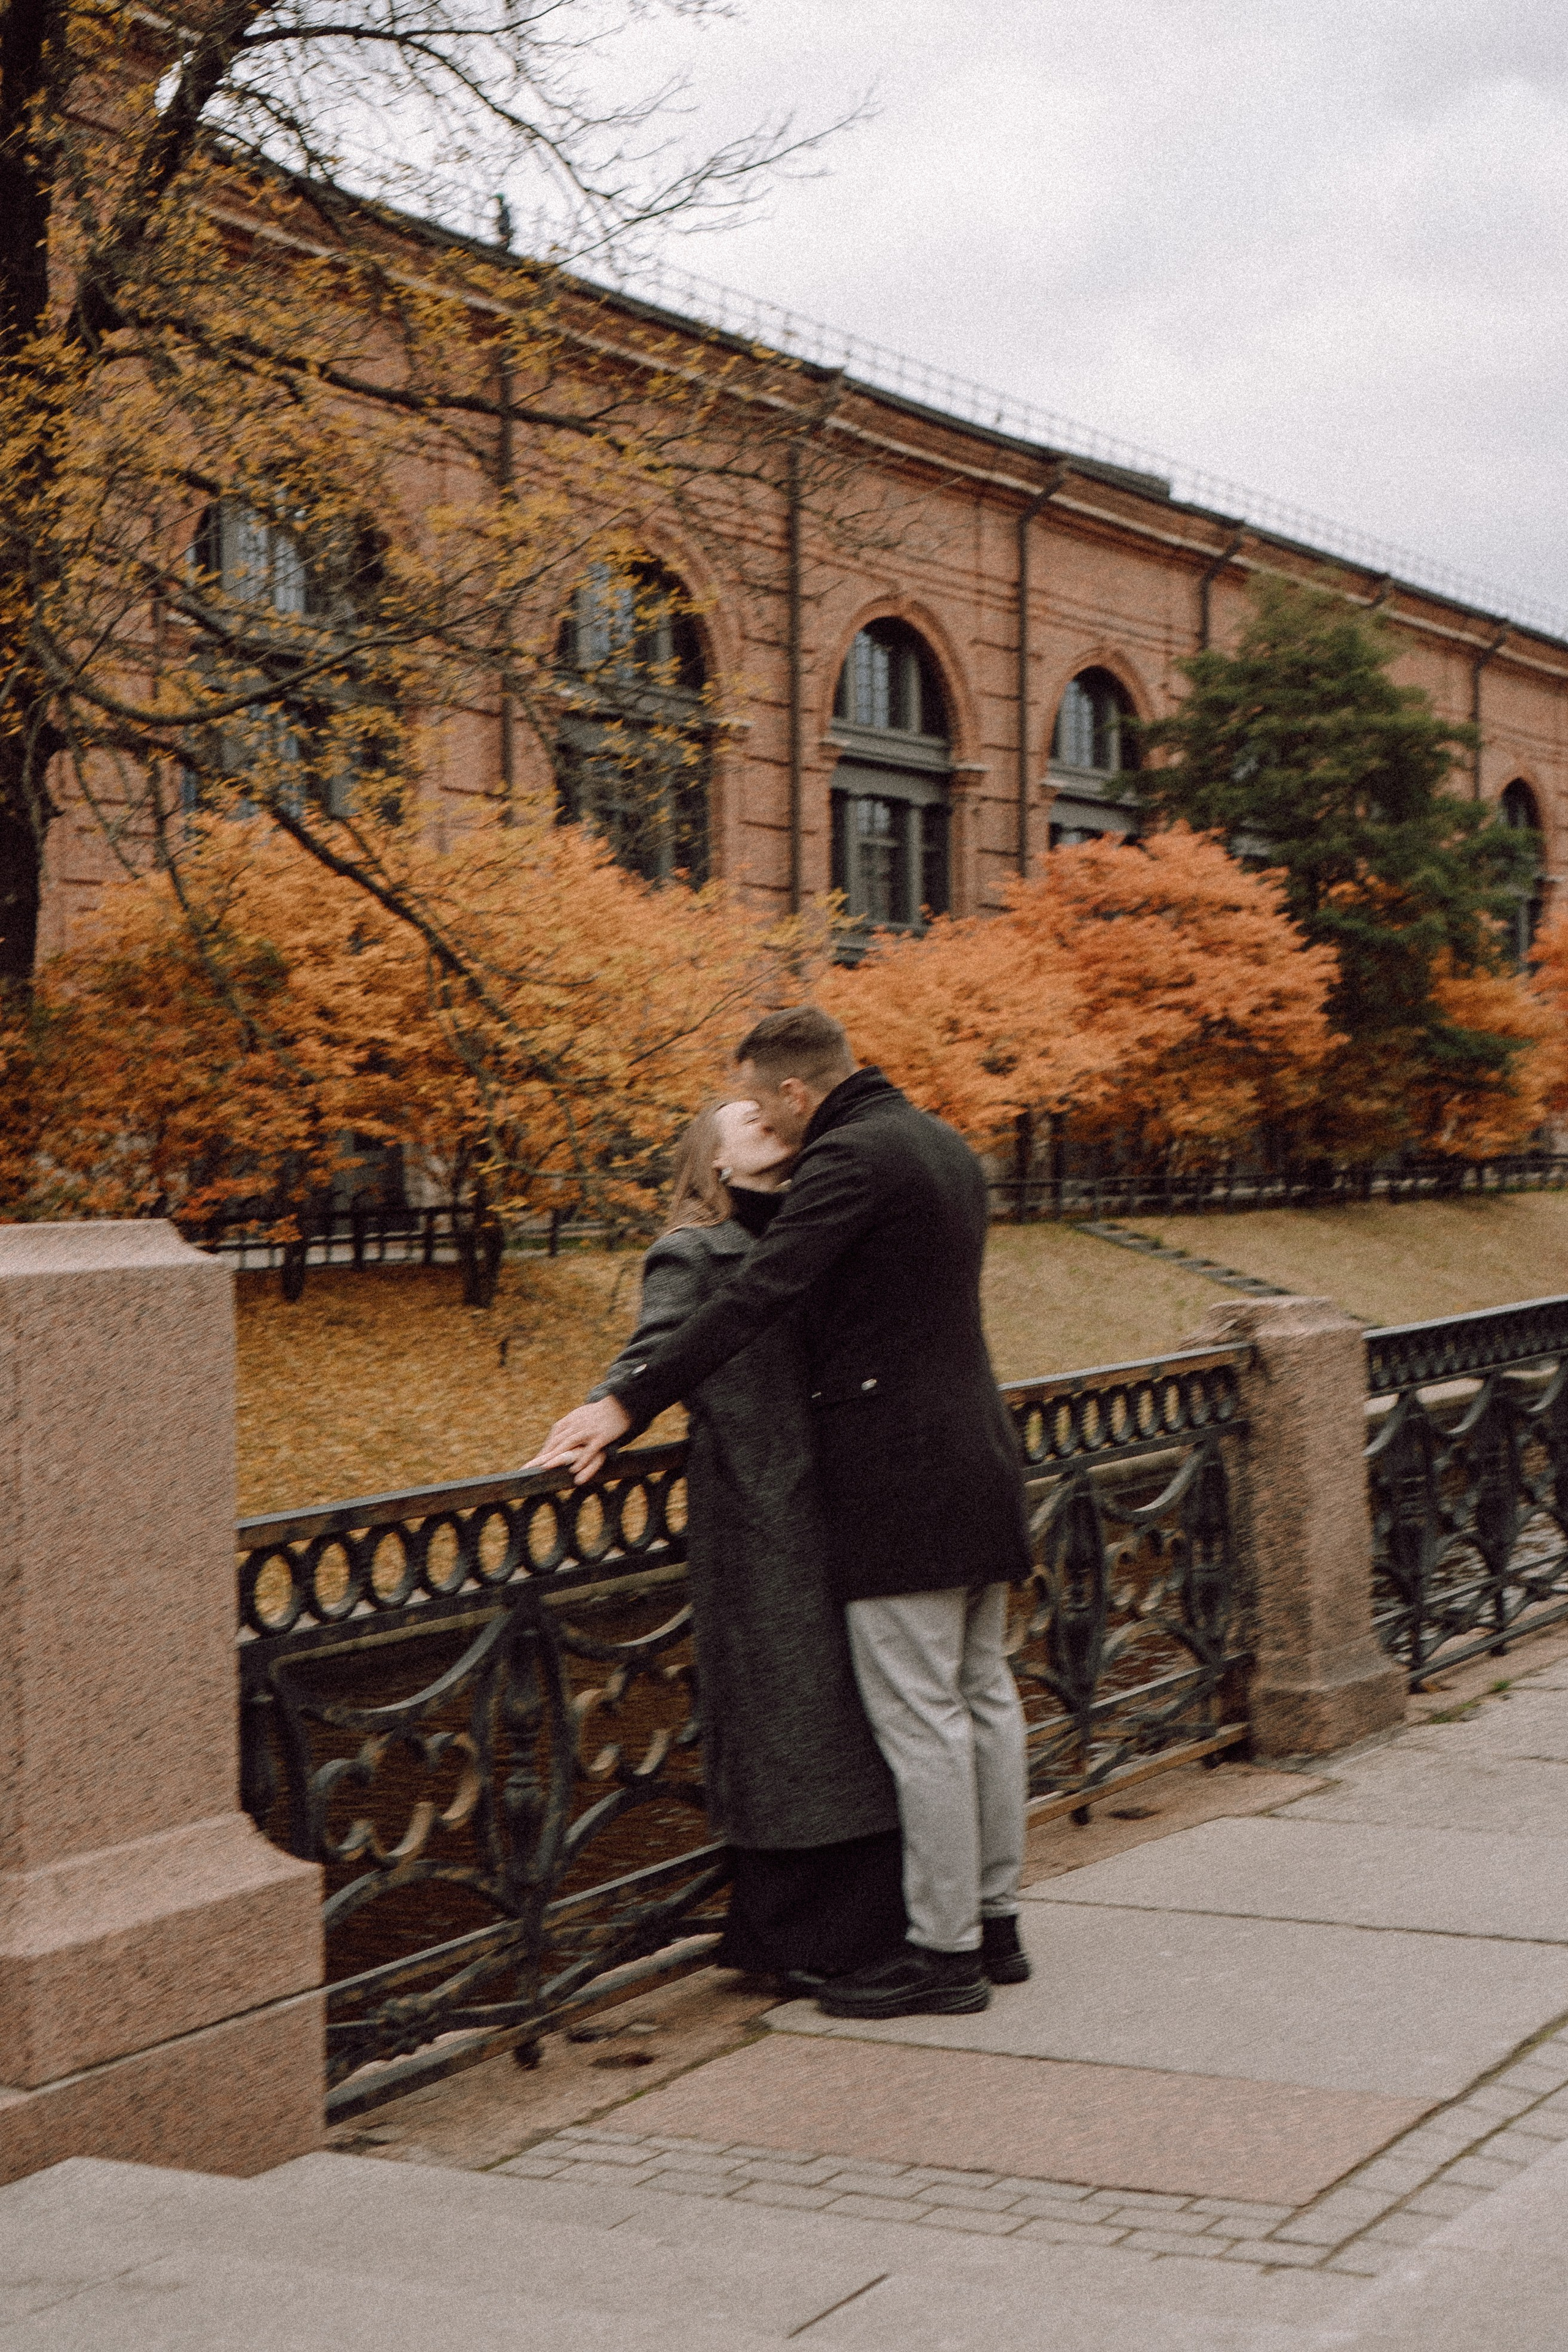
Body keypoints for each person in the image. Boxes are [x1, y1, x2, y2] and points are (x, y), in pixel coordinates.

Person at [532, 1006, 1033, 2020]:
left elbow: (755, 1296)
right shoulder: (940, 1144)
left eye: (761, 1104)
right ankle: (994, 1921)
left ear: (797, 1092)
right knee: (984, 1699)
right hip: (978, 1460)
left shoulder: (847, 1161)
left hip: (898, 1484)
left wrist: (622, 1404)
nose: (758, 1120)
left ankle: (943, 1956)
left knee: (931, 1717)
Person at [578, 1096, 907, 1983]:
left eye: (773, 1111)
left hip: (845, 1501)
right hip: (761, 1512)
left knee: (861, 1717)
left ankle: (866, 1927)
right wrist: (609, 1414)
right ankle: (794, 1941)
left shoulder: (823, 1227)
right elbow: (657, 1347)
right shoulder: (693, 1252)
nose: (765, 1119)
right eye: (744, 1118)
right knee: (788, 1723)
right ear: (711, 1161)